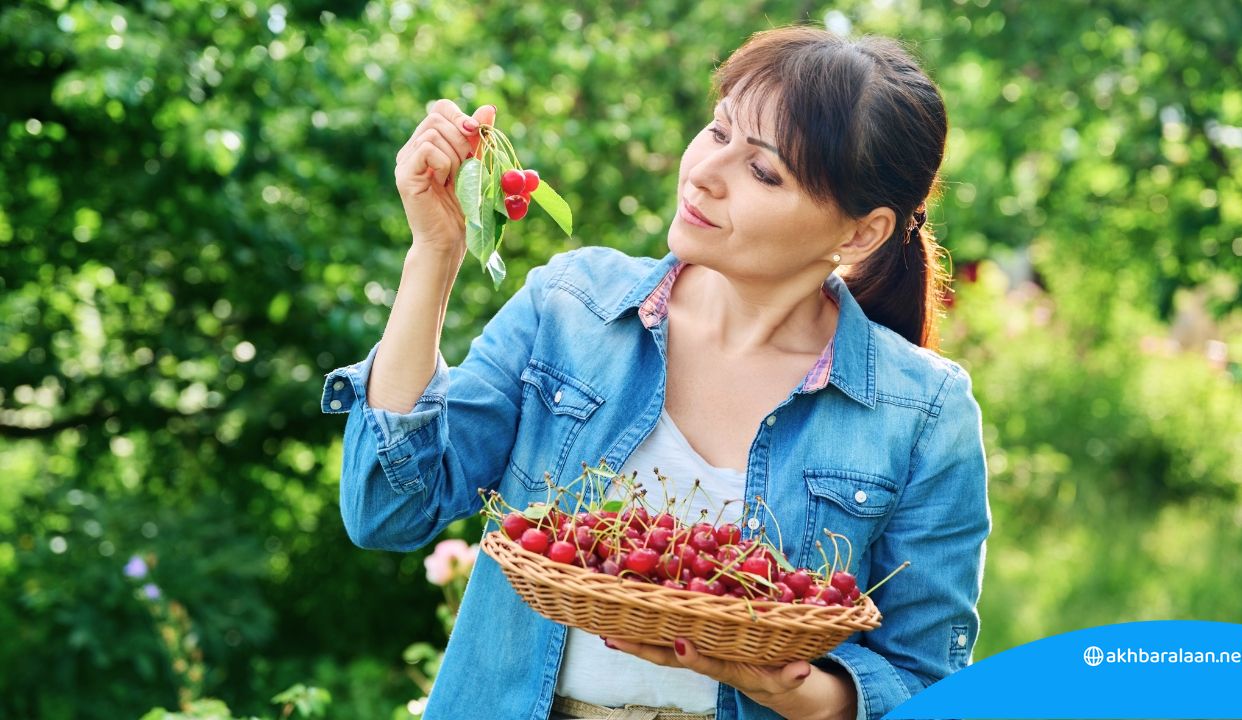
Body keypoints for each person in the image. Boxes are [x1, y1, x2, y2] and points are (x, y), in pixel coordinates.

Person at [321, 25, 990, 720]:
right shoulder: (574, 308)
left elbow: (927, 680)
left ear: (859, 234)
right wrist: (433, 251)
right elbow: (389, 509)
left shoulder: (922, 413)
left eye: (763, 172)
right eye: (718, 131)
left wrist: (796, 691)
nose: (705, 173)